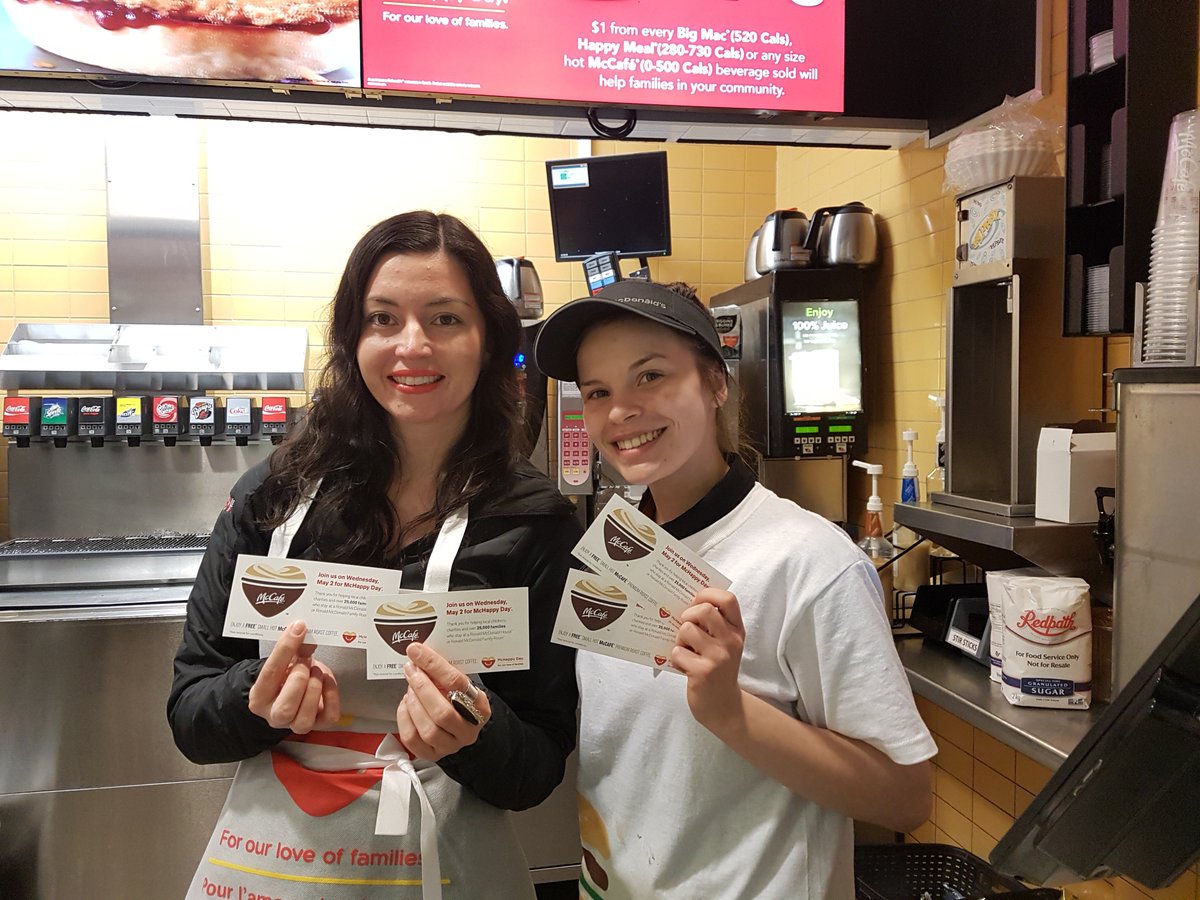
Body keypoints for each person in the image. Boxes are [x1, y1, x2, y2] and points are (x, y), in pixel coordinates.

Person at [168, 211, 581, 900]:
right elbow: (190, 713)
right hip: (281, 868)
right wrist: (255, 699)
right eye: (383, 319)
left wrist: (471, 733)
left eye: (445, 319)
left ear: (488, 342)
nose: (411, 346)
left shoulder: (533, 526)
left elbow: (537, 769)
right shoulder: (274, 501)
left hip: (441, 870)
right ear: (353, 339)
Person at [533, 280, 936, 899]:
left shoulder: (807, 560)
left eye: (650, 377)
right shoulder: (619, 548)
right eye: (598, 391)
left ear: (715, 384)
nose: (620, 412)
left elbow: (904, 797)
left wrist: (731, 712)